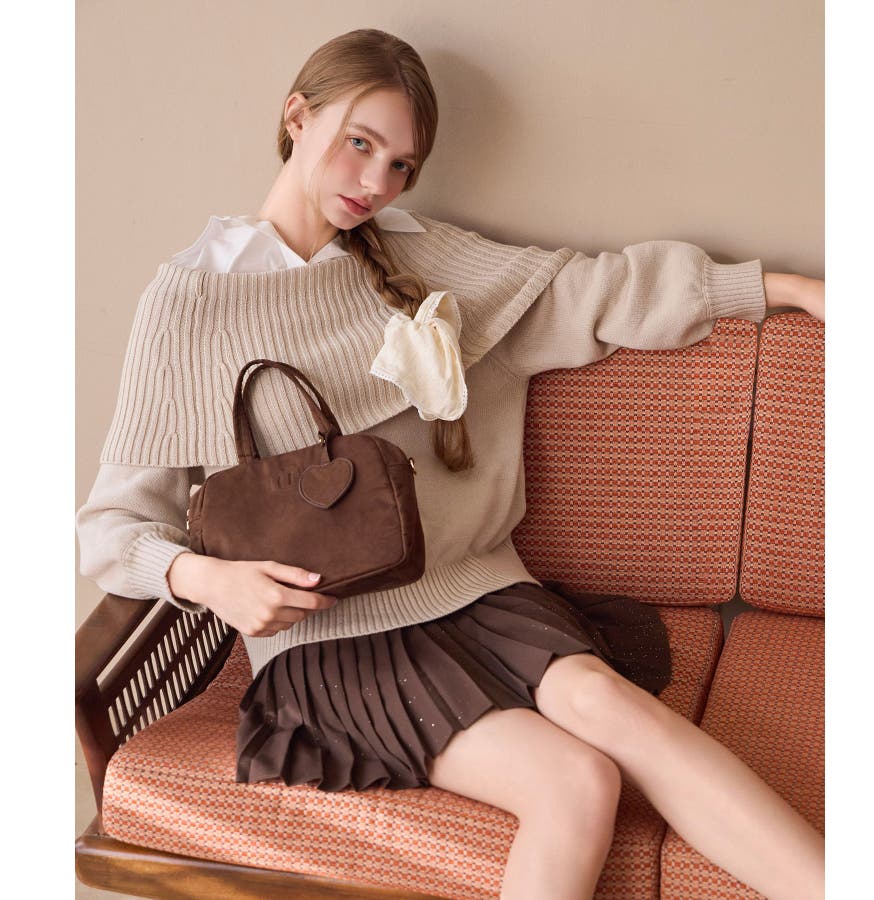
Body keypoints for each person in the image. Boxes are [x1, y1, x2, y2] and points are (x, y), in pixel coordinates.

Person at [76, 27, 825, 900]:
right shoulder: (189, 302)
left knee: (615, 711)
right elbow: (110, 527)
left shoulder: (414, 255)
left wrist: (788, 290)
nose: (374, 183)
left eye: (400, 165)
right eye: (360, 144)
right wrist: (206, 579)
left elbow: (591, 291)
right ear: (297, 116)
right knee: (577, 782)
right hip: (330, 640)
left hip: (477, 589)